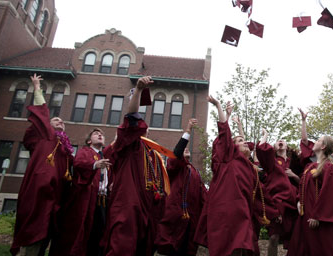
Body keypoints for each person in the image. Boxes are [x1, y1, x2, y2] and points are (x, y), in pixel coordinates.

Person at [102, 76, 171, 256]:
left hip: (146, 207)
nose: (145, 129)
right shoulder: (129, 145)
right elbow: (132, 117)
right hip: (128, 204)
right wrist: (139, 90)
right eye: (141, 128)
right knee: (122, 247)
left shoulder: (150, 155)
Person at [11, 74, 74, 256]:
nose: (60, 121)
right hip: (40, 191)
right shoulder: (44, 136)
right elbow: (42, 112)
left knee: (47, 232)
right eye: (56, 120)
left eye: (62, 121)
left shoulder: (66, 149)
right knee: (34, 229)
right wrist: (37, 87)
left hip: (57, 195)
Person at [194, 96, 259, 256]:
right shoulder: (228, 158)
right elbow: (224, 133)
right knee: (227, 247)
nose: (245, 142)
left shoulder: (250, 167)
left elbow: (252, 149)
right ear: (232, 146)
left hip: (243, 211)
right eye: (239, 140)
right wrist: (219, 107)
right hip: (226, 210)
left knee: (243, 246)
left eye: (244, 141)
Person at [49, 128, 112, 256]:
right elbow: (78, 163)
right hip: (86, 199)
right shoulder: (85, 152)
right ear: (89, 141)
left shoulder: (105, 158)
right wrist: (94, 165)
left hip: (102, 201)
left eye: (102, 134)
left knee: (99, 233)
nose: (100, 135)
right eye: (96, 134)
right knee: (82, 231)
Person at [156, 119, 207, 256]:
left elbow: (204, 196)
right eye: (183, 149)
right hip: (175, 217)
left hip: (191, 220)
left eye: (187, 149)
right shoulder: (174, 167)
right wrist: (188, 131)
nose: (186, 149)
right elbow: (176, 154)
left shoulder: (195, 172)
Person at [286, 132, 333, 256]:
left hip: (318, 219)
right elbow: (302, 186)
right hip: (305, 215)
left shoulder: (329, 167)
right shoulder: (310, 166)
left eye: (318, 140)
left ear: (323, 146)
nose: (314, 142)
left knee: (318, 249)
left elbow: (330, 193)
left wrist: (318, 215)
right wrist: (299, 200)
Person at [255, 130, 297, 256]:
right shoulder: (272, 162)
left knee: (295, 239)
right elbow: (261, 149)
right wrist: (265, 135)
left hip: (293, 204)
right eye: (278, 140)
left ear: (287, 146)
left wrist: (294, 175)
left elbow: (305, 181)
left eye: (283, 140)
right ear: (273, 148)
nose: (280, 141)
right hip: (277, 204)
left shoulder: (294, 162)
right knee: (274, 237)